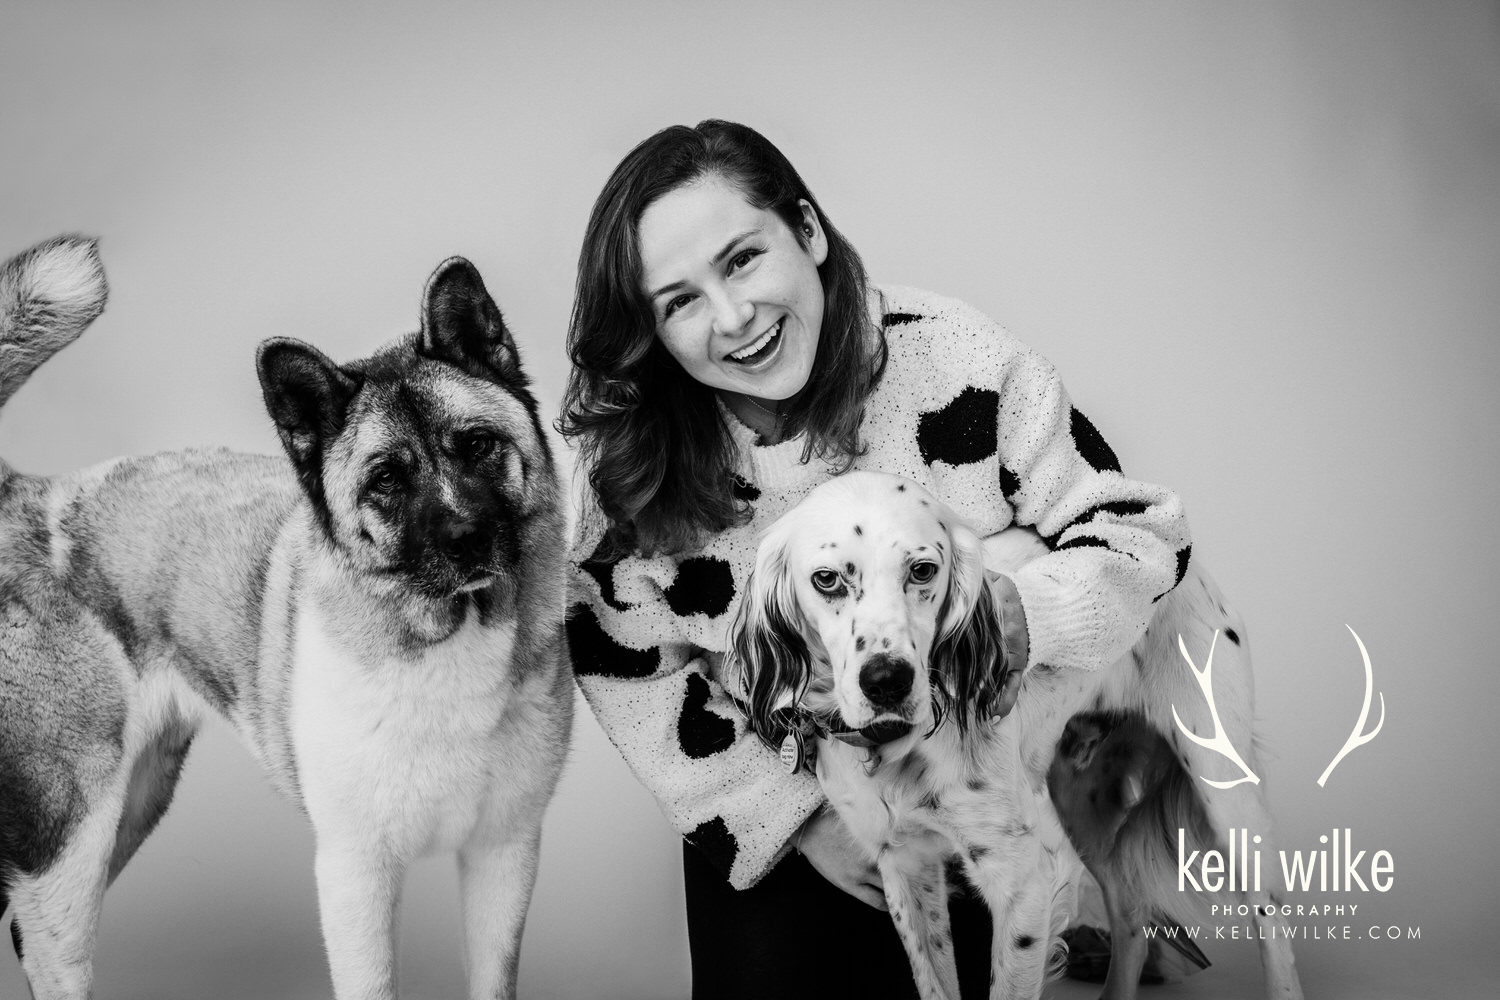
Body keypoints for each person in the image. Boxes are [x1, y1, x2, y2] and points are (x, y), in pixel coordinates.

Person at [558, 120, 1191, 998]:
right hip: (778, 784)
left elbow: (1141, 534)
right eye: (679, 301)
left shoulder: (958, 361)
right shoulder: (641, 466)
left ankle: (1076, 914)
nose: (733, 318)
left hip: (964, 771)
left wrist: (1021, 614)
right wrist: (786, 815)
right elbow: (619, 661)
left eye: (742, 259)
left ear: (808, 232)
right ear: (652, 332)